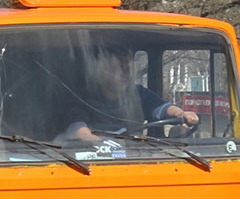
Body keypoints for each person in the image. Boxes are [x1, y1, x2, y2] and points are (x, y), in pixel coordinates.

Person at [61, 44, 199, 142]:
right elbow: (77, 130)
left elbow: (161, 107)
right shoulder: (82, 97)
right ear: (102, 70)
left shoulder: (138, 93)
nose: (126, 74)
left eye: (128, 68)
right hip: (94, 161)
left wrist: (181, 114)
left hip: (132, 156)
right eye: (119, 68)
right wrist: (102, 144)